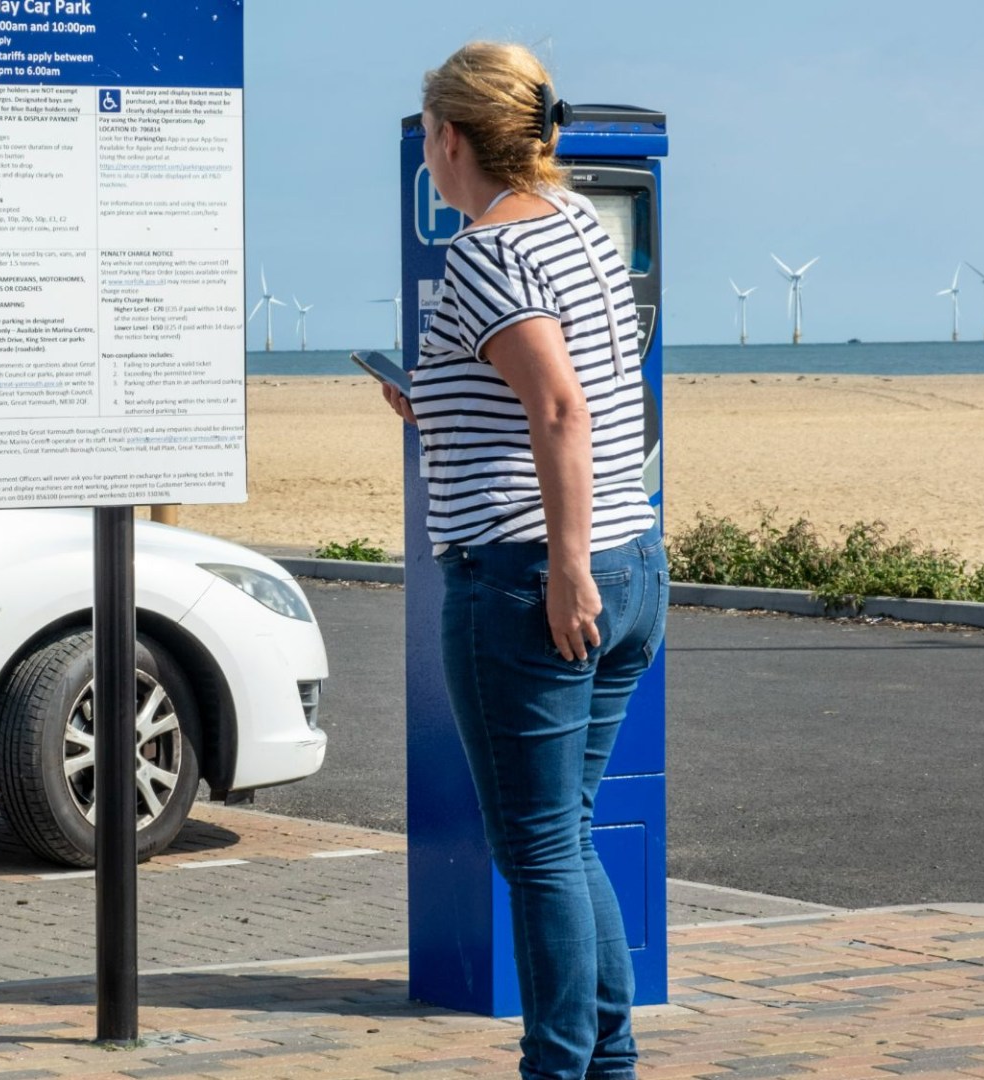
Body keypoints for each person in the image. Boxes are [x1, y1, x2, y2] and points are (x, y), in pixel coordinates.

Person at [384, 42, 669, 1080]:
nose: (427, 153)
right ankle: (610, 1055)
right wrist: (431, 402)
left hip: (527, 580)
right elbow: (553, 388)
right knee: (569, 832)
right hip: (632, 560)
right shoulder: (578, 224)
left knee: (538, 848)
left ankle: (560, 1065)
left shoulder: (489, 252)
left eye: (428, 135)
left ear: (450, 139)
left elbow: (559, 406)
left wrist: (563, 567)